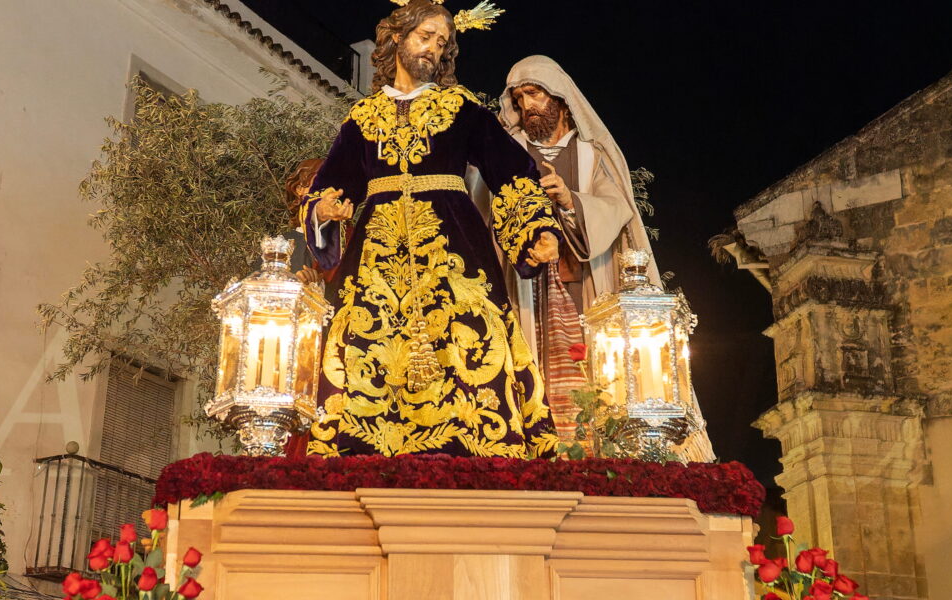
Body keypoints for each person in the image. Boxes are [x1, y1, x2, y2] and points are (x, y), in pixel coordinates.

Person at [300, 0, 562, 459]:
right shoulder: (362, 118)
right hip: (376, 257)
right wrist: (323, 209)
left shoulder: (461, 108)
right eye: (425, 37)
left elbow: (511, 170)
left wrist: (536, 229)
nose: (433, 49)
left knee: (468, 339)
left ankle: (474, 448)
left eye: (442, 43)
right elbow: (331, 186)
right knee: (363, 344)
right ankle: (363, 450)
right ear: (397, 38)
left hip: (454, 248)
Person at [499, 56, 713, 460]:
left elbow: (617, 208)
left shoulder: (592, 154)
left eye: (534, 94)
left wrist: (570, 201)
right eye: (519, 97)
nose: (527, 105)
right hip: (526, 289)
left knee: (597, 373)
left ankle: (601, 454)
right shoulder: (507, 153)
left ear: (560, 98)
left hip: (588, 285)